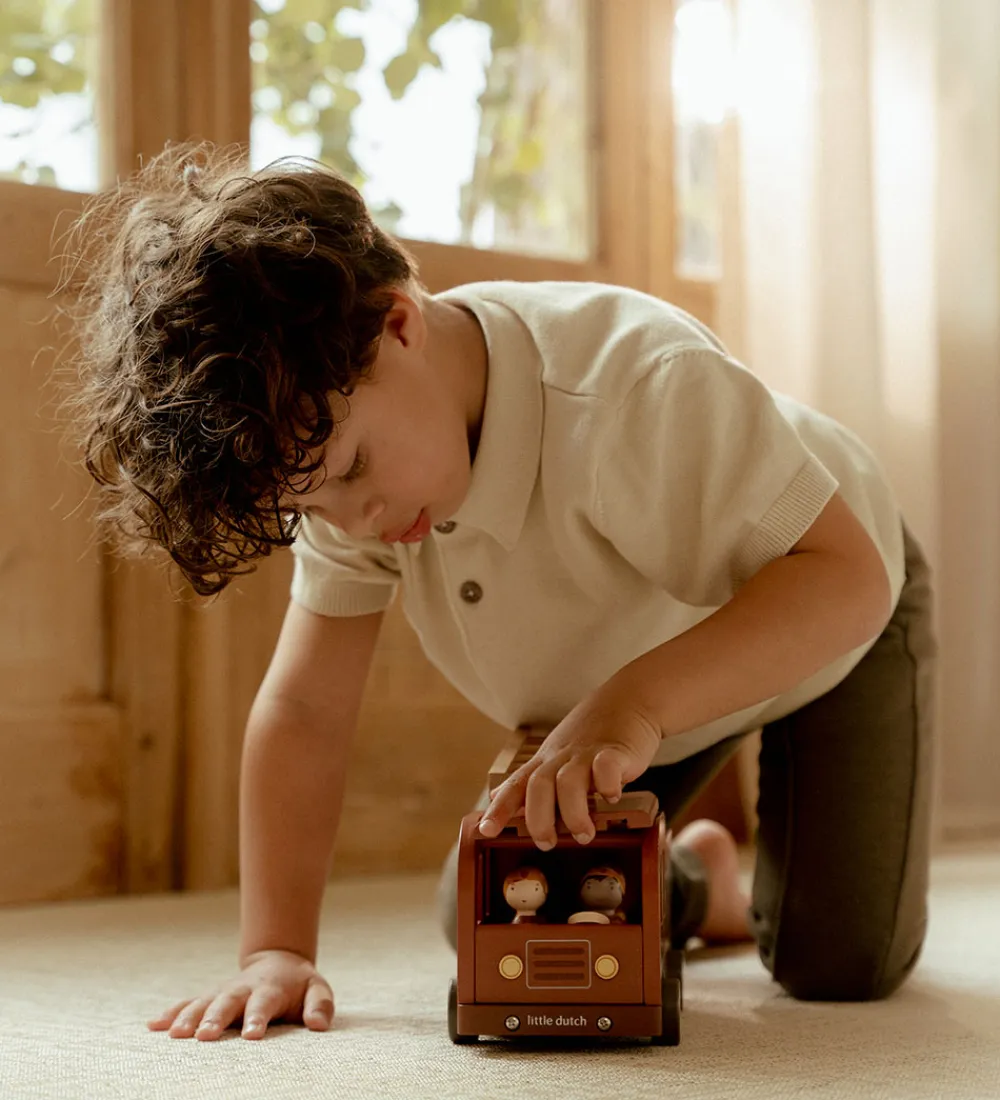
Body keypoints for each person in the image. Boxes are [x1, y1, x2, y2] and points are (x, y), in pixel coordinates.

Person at [63, 143, 936, 1042]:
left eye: (353, 470)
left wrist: (629, 708)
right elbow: (306, 708)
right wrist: (274, 949)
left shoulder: (631, 385)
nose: (351, 520)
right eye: (309, 504)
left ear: (399, 325)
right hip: (625, 697)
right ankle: (696, 880)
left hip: (828, 602)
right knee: (491, 907)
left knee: (838, 965)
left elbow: (844, 581)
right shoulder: (350, 484)